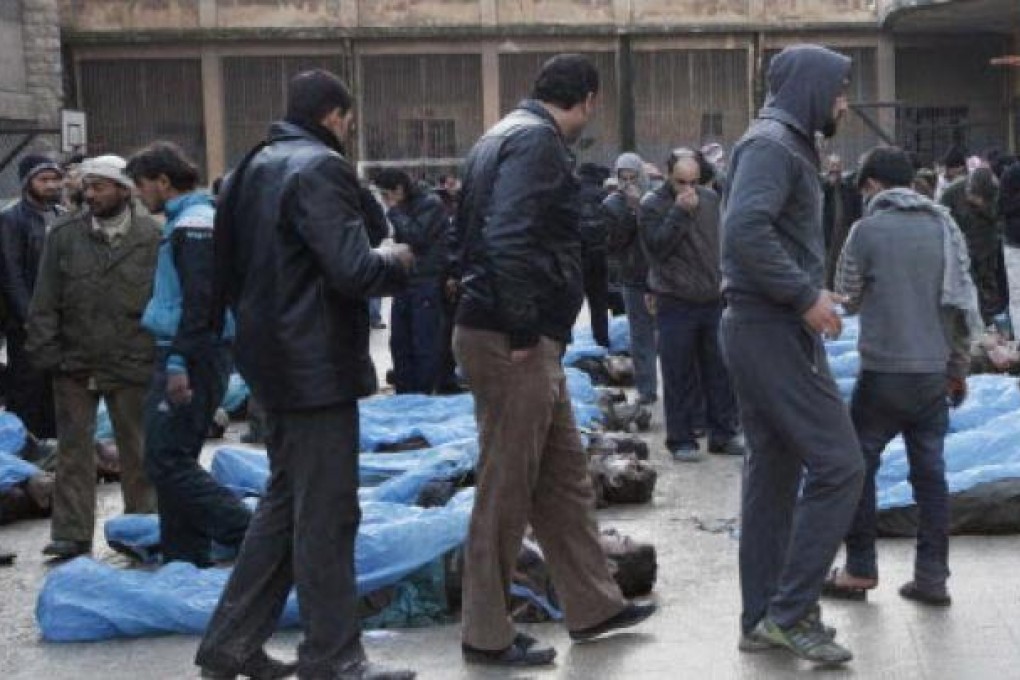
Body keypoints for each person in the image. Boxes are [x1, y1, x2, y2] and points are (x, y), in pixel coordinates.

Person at [196, 69, 414, 680]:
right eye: (348, 121)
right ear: (335, 116)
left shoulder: (249, 167)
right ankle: (333, 655)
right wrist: (395, 259)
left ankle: (229, 644)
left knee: (286, 504)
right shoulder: (318, 166)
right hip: (313, 365)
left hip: (271, 360)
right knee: (326, 514)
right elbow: (352, 269)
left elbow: (226, 272)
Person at [451, 53, 654, 668]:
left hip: (523, 333)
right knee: (506, 485)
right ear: (588, 99)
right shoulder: (537, 143)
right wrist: (520, 326)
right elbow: (508, 235)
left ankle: (594, 604)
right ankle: (485, 631)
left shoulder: (501, 135)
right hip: (514, 336)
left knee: (564, 476)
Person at [720, 44, 863, 665]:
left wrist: (810, 288)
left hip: (766, 325)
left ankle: (762, 618)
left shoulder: (783, 142)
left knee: (774, 476)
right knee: (841, 465)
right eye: (838, 91)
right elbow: (744, 230)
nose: (844, 103)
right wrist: (804, 295)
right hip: (772, 329)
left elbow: (768, 232)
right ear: (810, 89)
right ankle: (790, 611)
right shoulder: (773, 146)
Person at [823, 146, 977, 608]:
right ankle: (932, 578)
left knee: (859, 467)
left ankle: (860, 569)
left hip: (882, 376)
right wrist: (958, 368)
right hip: (932, 373)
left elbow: (847, 297)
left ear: (872, 186)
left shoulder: (864, 231)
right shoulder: (945, 227)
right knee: (931, 476)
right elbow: (960, 306)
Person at [26, 154, 160, 560]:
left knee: (137, 450)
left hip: (132, 360)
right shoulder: (64, 236)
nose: (90, 194)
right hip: (74, 361)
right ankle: (71, 533)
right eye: (87, 186)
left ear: (123, 189)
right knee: (73, 451)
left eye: (99, 186)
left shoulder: (152, 236)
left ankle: (143, 527)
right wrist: (45, 353)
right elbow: (44, 299)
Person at [125, 142, 252, 568]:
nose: (140, 196)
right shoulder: (190, 221)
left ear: (163, 181)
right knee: (173, 456)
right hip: (191, 350)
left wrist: (178, 362)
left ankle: (246, 530)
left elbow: (201, 305)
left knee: (164, 460)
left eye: (141, 186)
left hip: (192, 354)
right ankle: (184, 556)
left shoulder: (193, 226)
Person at [641, 148, 743, 462]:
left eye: (693, 182)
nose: (687, 189)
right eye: (680, 182)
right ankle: (681, 438)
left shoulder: (711, 201)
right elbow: (657, 248)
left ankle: (722, 433)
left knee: (719, 371)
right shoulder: (653, 205)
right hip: (675, 300)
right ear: (668, 175)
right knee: (678, 373)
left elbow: (722, 244)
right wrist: (679, 213)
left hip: (711, 299)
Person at [0, 154, 63, 439]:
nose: (51, 185)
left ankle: (54, 454)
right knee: (28, 390)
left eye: (54, 179)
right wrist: (29, 319)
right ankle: (31, 454)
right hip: (26, 325)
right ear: (28, 183)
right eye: (44, 180)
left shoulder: (62, 216)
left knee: (56, 391)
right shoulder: (11, 220)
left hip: (60, 323)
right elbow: (10, 275)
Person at [375, 168, 451, 394]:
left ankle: (424, 392)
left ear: (399, 189)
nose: (386, 202)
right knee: (399, 341)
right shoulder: (403, 207)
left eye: (387, 195)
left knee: (423, 341)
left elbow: (417, 236)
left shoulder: (430, 204)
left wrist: (394, 212)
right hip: (404, 281)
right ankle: (405, 391)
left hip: (426, 280)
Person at [604, 152, 658, 404]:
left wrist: (640, 209)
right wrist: (629, 214)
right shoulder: (613, 204)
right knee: (640, 337)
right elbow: (614, 244)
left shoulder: (654, 200)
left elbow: (660, 235)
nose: (628, 183)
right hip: (634, 277)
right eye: (622, 177)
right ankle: (646, 389)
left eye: (632, 177)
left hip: (662, 278)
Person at [942, 166, 1004, 324]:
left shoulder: (995, 190)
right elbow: (942, 219)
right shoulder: (952, 193)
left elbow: (998, 217)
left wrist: (982, 207)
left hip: (987, 244)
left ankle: (990, 320)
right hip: (962, 246)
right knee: (967, 285)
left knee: (989, 283)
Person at [576, 162, 611, 347]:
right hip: (600, 256)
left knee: (571, 305)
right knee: (599, 304)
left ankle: (566, 345)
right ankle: (602, 342)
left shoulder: (572, 194)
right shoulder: (604, 195)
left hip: (577, 256)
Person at [822, 153, 862, 290]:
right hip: (828, 232)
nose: (835, 170)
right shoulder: (823, 186)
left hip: (844, 231)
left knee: (843, 262)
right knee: (828, 264)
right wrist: (829, 185)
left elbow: (856, 209)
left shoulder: (848, 187)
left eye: (837, 166)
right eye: (832, 166)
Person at [1000, 158, 1020, 333]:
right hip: (1015, 244)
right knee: (1017, 296)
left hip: (1013, 241)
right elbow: (1004, 206)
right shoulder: (1012, 174)